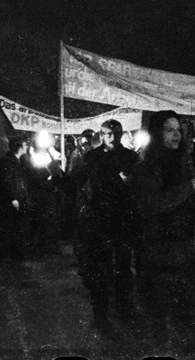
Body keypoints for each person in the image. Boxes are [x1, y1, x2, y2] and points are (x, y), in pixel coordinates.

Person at [49, 120, 139, 333]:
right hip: (100, 222)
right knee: (101, 270)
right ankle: (102, 316)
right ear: (102, 135)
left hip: (123, 220)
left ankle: (123, 308)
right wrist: (57, 175)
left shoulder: (131, 158)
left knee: (124, 267)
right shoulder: (92, 158)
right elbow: (73, 185)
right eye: (107, 133)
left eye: (115, 133)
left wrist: (129, 183)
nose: (111, 137)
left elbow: (139, 189)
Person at [132, 110, 195, 339]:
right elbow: (155, 203)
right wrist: (189, 186)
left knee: (186, 306)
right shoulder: (147, 167)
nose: (176, 135)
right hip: (160, 246)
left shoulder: (185, 162)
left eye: (178, 130)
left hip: (186, 243)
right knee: (161, 307)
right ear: (157, 134)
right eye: (169, 130)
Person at [0, 136, 30, 259]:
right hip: (13, 200)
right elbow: (7, 181)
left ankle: (15, 252)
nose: (26, 147)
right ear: (19, 147)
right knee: (11, 226)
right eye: (24, 145)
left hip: (18, 198)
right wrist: (13, 198)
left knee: (16, 226)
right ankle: (10, 253)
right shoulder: (8, 162)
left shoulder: (18, 161)